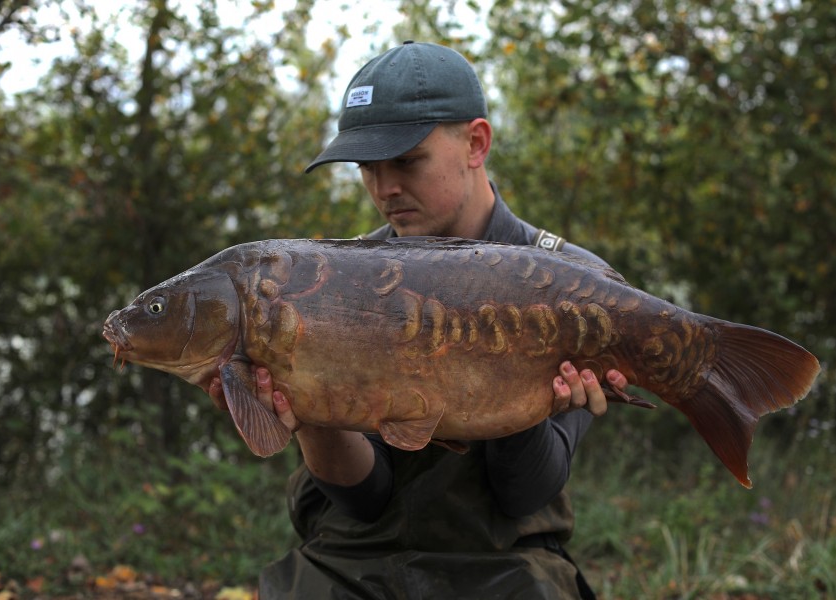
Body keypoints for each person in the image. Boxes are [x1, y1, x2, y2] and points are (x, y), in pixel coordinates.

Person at [214, 41, 629, 599]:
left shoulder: (573, 284)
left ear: (476, 143)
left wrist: (525, 397)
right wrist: (311, 412)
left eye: (407, 162)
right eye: (368, 168)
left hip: (505, 560)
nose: (384, 190)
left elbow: (524, 497)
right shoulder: (339, 282)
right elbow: (366, 498)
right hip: (352, 558)